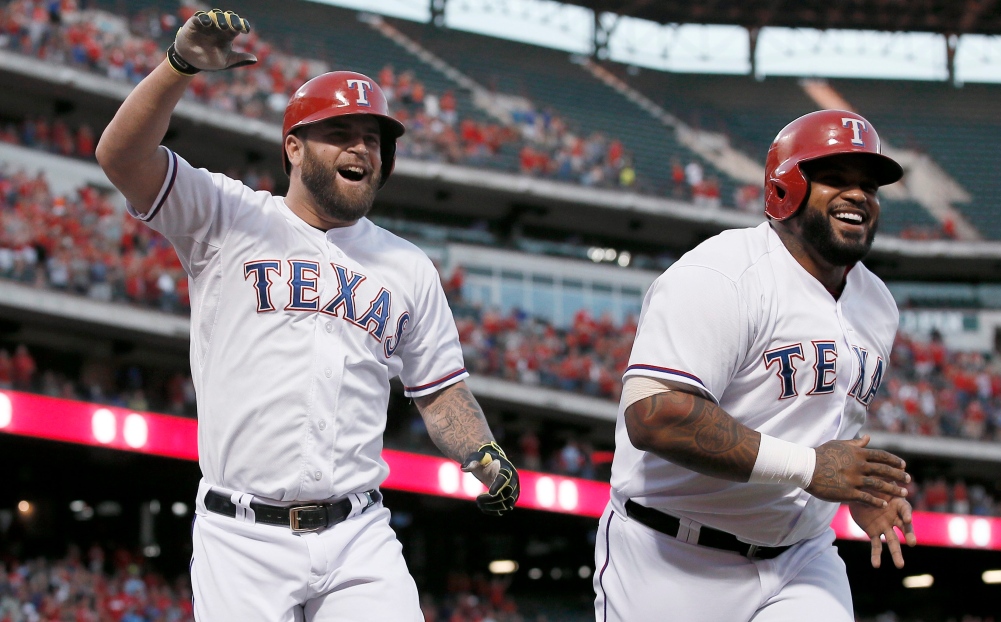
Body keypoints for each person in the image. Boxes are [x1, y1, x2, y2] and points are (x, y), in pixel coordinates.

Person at [95, 10, 519, 621]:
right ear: (293, 148)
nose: (361, 148)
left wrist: (483, 451)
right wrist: (178, 67)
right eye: (340, 132)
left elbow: (440, 391)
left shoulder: (408, 267)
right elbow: (121, 155)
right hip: (240, 537)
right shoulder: (228, 216)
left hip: (358, 535)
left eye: (372, 138)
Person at [594, 110, 916, 621]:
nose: (859, 195)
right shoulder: (721, 274)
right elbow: (655, 415)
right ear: (786, 187)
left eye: (870, 185)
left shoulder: (878, 304)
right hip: (671, 556)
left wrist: (858, 490)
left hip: (802, 559)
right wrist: (810, 469)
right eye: (835, 177)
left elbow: (829, 433)